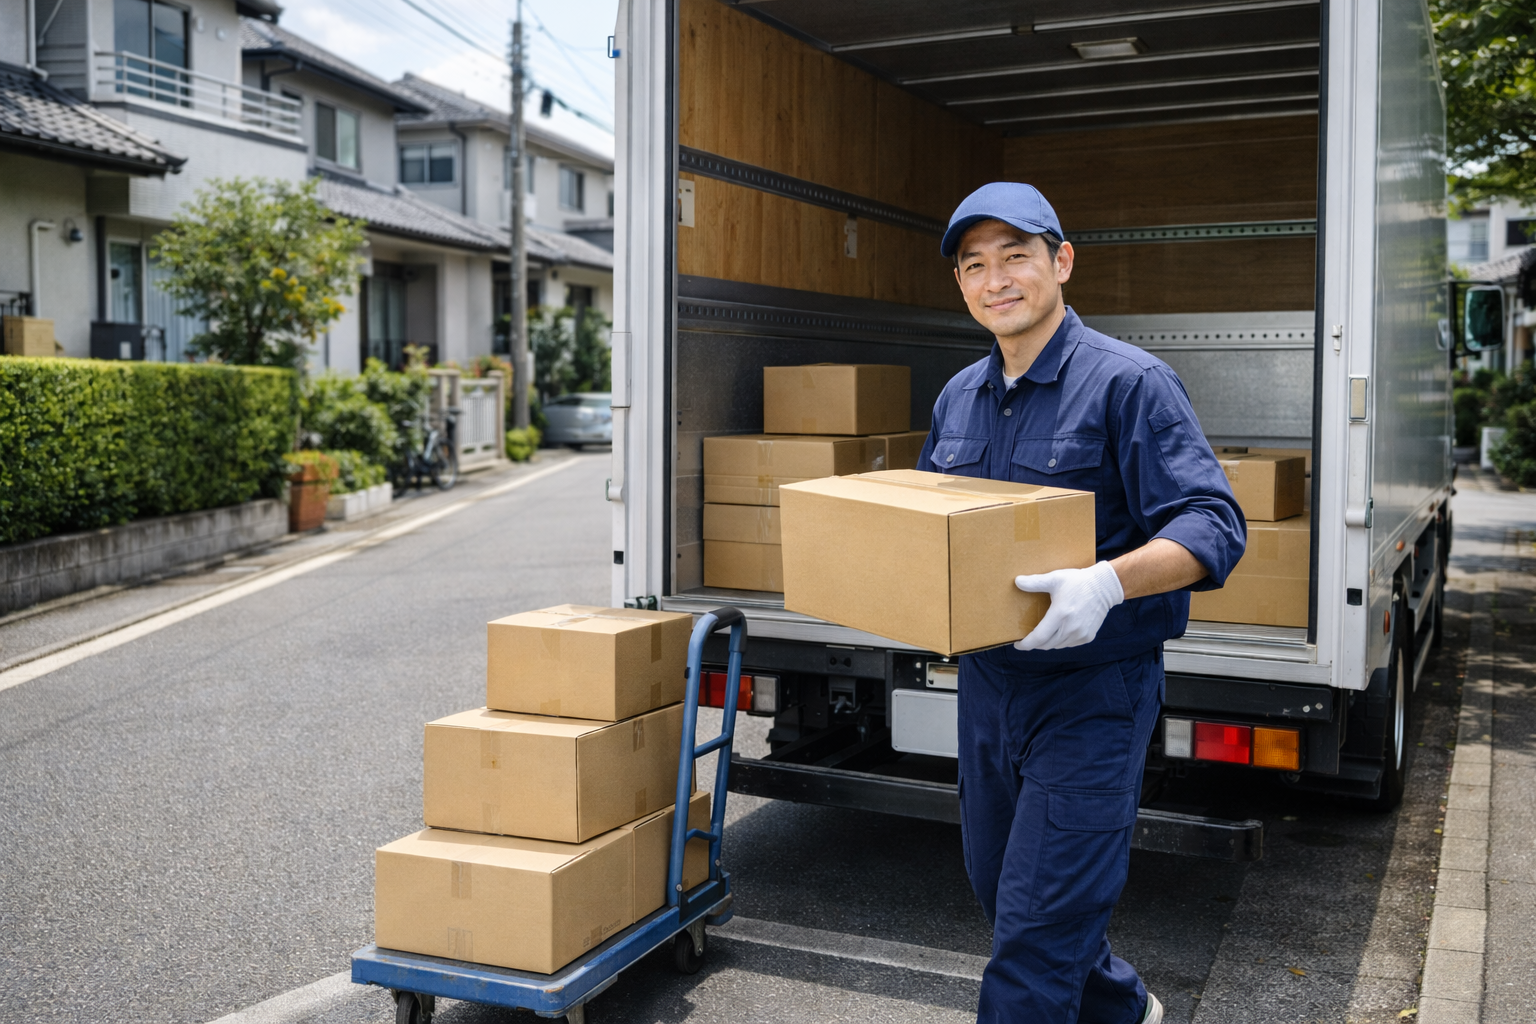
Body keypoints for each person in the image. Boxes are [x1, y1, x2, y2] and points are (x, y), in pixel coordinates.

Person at [917, 182, 1247, 1024]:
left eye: (1016, 256)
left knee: (1032, 939)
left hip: (1095, 692)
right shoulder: (959, 396)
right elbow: (934, 525)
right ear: (961, 285)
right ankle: (1120, 1009)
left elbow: (1213, 524)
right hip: (990, 685)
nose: (997, 279)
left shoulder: (1129, 383)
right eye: (975, 265)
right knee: (1005, 894)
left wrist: (1108, 582)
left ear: (1061, 262)